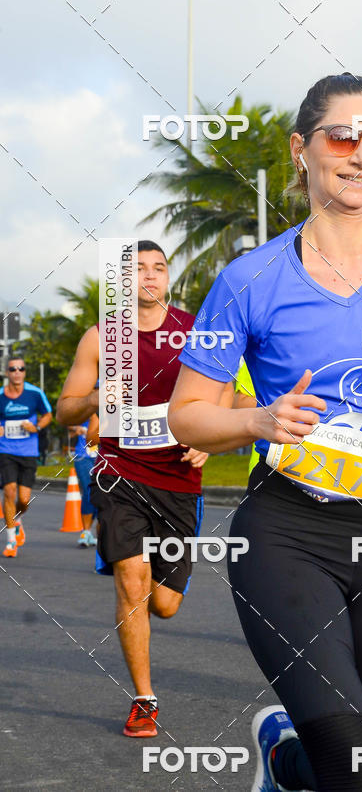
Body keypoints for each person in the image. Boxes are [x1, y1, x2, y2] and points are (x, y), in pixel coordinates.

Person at [168, 73, 362, 791]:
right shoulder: (249, 277)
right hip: (288, 531)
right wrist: (257, 420)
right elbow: (186, 415)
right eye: (345, 135)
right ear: (301, 149)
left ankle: (284, 762)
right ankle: (296, 752)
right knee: (352, 766)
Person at [56, 240, 230, 737]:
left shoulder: (193, 331)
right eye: (138, 270)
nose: (150, 277)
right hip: (119, 474)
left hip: (179, 480)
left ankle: (158, 576)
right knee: (131, 580)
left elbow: (226, 393)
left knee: (164, 604)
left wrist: (210, 437)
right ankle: (144, 699)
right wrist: (94, 397)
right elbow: (66, 408)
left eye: (159, 268)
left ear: (167, 278)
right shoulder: (100, 338)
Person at [0, 357, 52, 557]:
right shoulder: (1, 396)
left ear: (24, 372)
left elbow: (48, 414)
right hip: (6, 450)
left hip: (28, 452)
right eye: (13, 369)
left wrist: (36, 427)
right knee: (9, 491)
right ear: (7, 373)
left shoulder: (34, 393)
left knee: (23, 499)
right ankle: (11, 540)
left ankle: (18, 519)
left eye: (21, 368)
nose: (17, 372)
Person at [68, 419, 98, 547]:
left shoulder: (110, 405)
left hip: (102, 456)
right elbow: (67, 421)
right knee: (88, 491)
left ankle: (92, 531)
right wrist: (76, 428)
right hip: (83, 456)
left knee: (100, 494)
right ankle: (85, 532)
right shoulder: (85, 405)